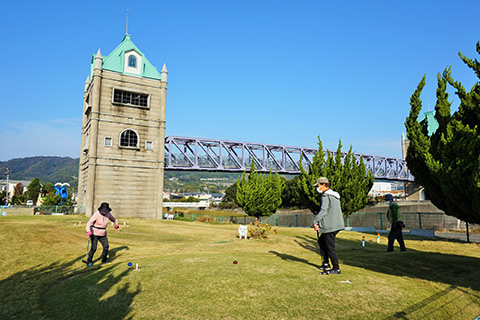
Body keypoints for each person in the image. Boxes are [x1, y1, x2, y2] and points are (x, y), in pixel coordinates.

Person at [312, 177, 345, 275]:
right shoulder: (335, 195)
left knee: (330, 247)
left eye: (318, 186)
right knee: (322, 242)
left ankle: (336, 269)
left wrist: (315, 221)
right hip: (336, 224)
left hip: (330, 225)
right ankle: (326, 263)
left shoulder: (326, 196)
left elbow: (323, 210)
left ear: (324, 185)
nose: (317, 188)